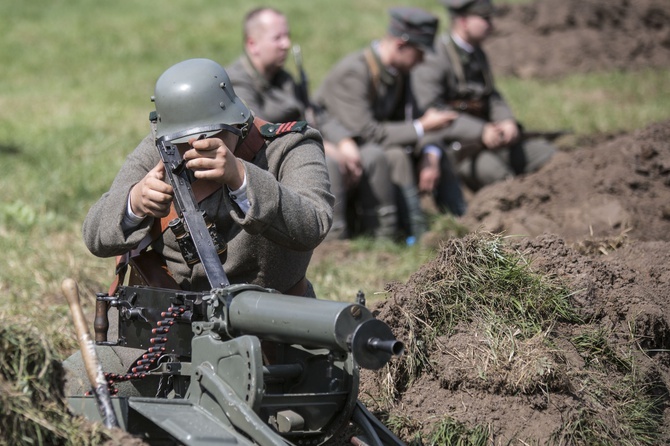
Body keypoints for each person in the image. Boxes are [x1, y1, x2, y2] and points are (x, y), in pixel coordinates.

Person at [64, 58, 333, 396]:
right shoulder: (158, 149)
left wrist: (241, 177)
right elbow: (94, 235)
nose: (193, 148)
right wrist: (135, 202)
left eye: (208, 135)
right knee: (69, 390)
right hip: (162, 338)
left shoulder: (290, 148)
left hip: (268, 341)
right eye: (182, 139)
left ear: (235, 121)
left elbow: (314, 222)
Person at [227, 7, 385, 240]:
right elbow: (260, 129)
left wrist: (344, 141)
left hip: (297, 148)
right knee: (327, 161)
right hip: (268, 161)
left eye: (287, 36)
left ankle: (381, 235)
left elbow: (315, 113)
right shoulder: (238, 82)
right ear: (253, 44)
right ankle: (333, 242)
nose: (286, 44)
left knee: (372, 155)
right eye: (278, 38)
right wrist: (324, 147)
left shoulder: (284, 79)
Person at [315, 7, 459, 241]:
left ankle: (455, 222)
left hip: (368, 144)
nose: (422, 60)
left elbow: (419, 116)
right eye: (420, 52)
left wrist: (430, 152)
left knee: (436, 151)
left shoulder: (399, 71)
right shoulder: (354, 73)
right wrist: (422, 127)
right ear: (401, 45)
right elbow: (370, 132)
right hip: (341, 145)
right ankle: (408, 231)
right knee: (393, 156)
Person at [412, 0, 556, 193]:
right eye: (485, 19)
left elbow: (491, 95)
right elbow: (433, 111)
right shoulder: (435, 57)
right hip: (458, 147)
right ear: (463, 21)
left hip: (490, 138)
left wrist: (506, 119)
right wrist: (480, 130)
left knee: (549, 156)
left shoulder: (477, 53)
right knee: (500, 178)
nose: (491, 25)